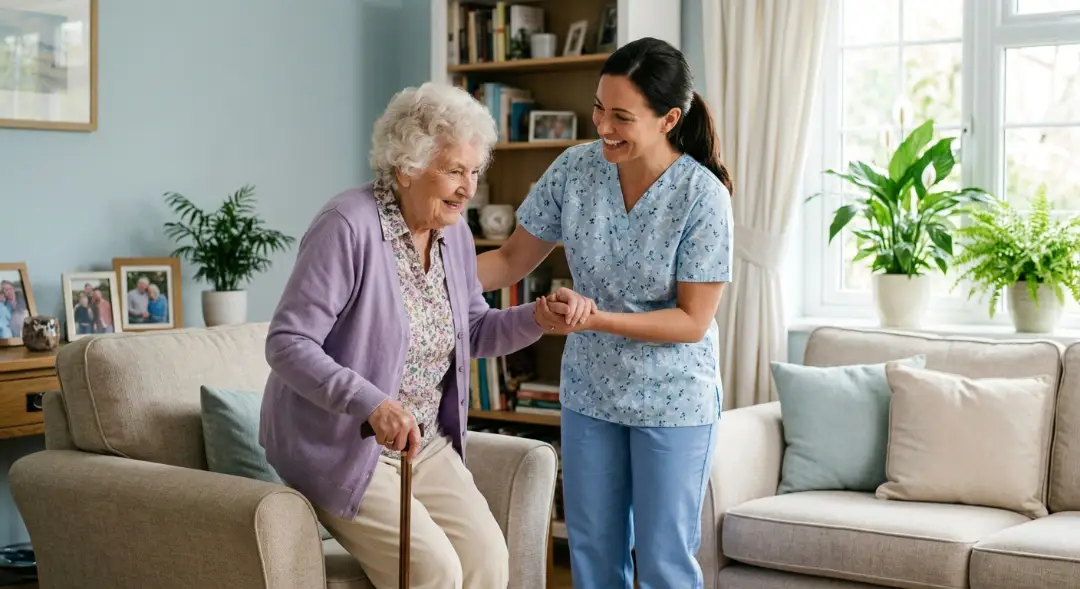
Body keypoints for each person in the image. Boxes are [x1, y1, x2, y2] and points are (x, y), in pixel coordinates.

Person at [259, 81, 588, 589]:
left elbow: (473, 331)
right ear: (406, 167)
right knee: (435, 571)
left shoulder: (453, 233)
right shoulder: (347, 226)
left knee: (489, 560)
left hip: (421, 443)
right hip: (342, 444)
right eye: (454, 170)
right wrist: (371, 403)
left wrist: (537, 319)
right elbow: (287, 342)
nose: (468, 188)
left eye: (474, 171)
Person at [477, 37, 734, 589]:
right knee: (592, 554)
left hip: (673, 399)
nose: (603, 126)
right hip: (591, 391)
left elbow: (691, 322)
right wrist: (414, 269)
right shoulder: (575, 169)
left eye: (621, 116)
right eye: (599, 107)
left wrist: (596, 319)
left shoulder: (702, 196)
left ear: (668, 118)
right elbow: (508, 259)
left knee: (664, 561)